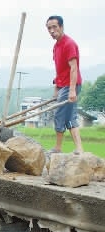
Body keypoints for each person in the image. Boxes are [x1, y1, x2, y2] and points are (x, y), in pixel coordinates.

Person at [46, 15, 83, 154]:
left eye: (54, 27)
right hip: (63, 85)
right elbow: (59, 69)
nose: (52, 30)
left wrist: (72, 90)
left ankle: (58, 148)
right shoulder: (56, 47)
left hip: (71, 85)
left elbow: (74, 67)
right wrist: (56, 88)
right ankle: (78, 149)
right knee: (68, 116)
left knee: (61, 115)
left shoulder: (69, 44)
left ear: (61, 27)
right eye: (49, 28)